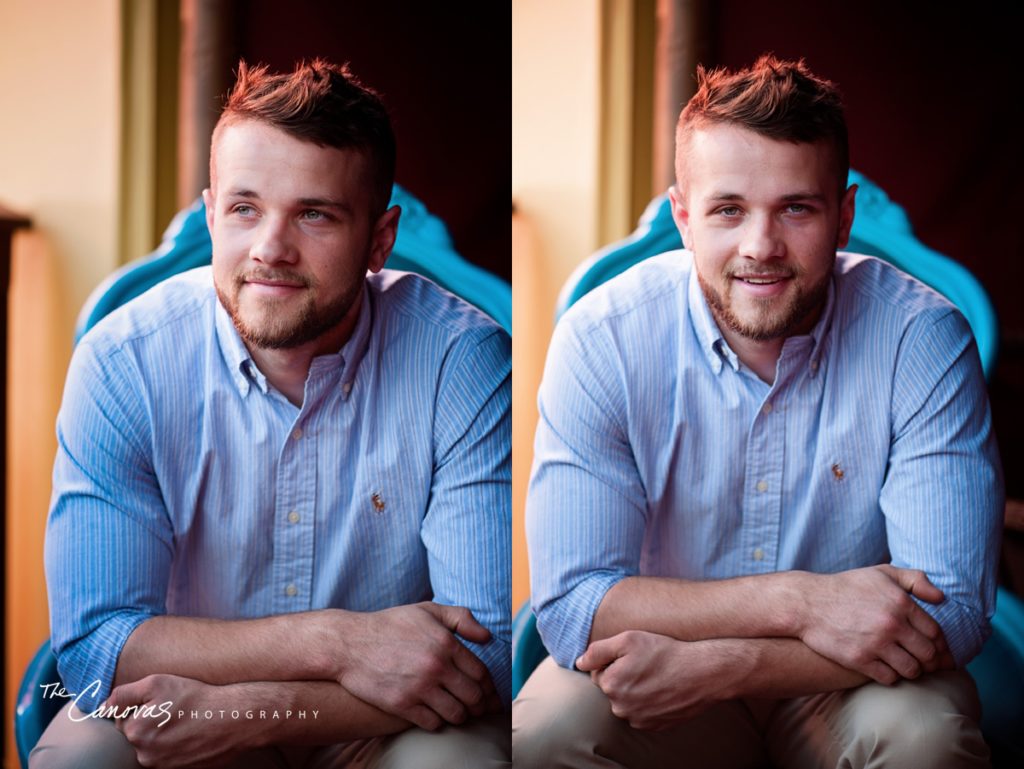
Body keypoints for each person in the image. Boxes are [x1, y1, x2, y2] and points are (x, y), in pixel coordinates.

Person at [513, 55, 1001, 768]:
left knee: (925, 738)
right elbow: (573, 607)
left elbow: (952, 608)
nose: (760, 247)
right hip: (659, 670)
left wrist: (731, 662)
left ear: (843, 216)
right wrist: (802, 602)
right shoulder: (602, 339)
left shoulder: (921, 337)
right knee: (547, 734)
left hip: (852, 677)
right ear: (684, 217)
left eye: (796, 207)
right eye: (728, 209)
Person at [35, 59, 511, 769]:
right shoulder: (121, 361)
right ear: (211, 213)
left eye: (314, 214)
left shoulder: (462, 357)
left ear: (379, 239)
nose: (270, 250)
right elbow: (96, 645)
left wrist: (252, 712)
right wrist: (335, 641)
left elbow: (490, 648)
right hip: (180, 702)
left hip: (384, 724)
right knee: (81, 757)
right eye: (245, 208)